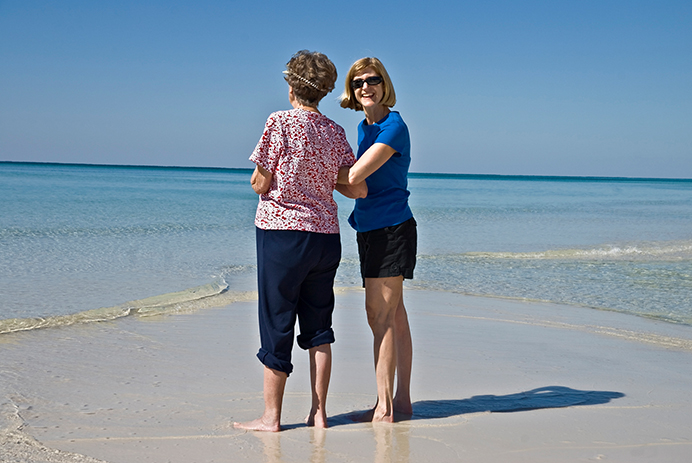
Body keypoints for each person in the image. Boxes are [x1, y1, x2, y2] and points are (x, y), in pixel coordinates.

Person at [234, 50, 367, 432]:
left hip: (281, 235)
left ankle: (271, 418)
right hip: (325, 237)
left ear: (292, 86)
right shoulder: (335, 132)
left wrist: (266, 183)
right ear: (323, 91)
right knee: (318, 325)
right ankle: (319, 413)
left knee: (277, 322)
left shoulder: (278, 122)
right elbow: (353, 186)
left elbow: (260, 181)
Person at [338, 57, 416, 423]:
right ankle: (400, 402)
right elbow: (356, 185)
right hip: (368, 228)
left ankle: (384, 408)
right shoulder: (363, 127)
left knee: (379, 316)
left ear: (385, 85)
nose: (365, 87)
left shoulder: (393, 127)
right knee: (394, 316)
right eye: (358, 83)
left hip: (391, 229)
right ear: (352, 91)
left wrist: (307, 169)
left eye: (372, 80)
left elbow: (355, 177)